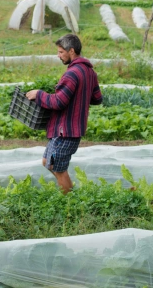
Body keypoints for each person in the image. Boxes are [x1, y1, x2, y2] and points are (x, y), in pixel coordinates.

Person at [26, 34, 102, 193]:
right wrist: (80, 96)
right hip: (68, 130)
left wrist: (39, 94)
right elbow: (97, 98)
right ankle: (67, 192)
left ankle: (69, 202)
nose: (58, 55)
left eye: (61, 52)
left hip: (65, 131)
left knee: (58, 168)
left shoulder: (72, 73)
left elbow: (58, 102)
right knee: (47, 161)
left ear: (71, 51)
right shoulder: (89, 72)